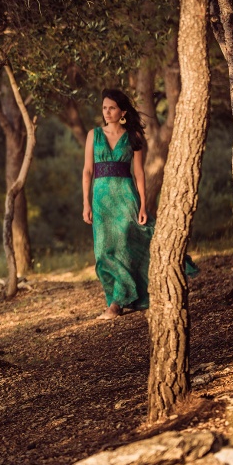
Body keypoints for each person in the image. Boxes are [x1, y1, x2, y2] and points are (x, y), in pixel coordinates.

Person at [82, 88, 196, 320]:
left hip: (126, 197)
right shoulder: (93, 135)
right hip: (101, 200)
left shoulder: (133, 136)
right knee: (103, 252)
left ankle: (116, 304)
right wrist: (85, 203)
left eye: (112, 108)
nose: (107, 112)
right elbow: (87, 171)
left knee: (123, 246)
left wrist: (143, 205)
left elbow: (140, 174)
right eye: (104, 108)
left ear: (123, 112)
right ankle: (124, 297)